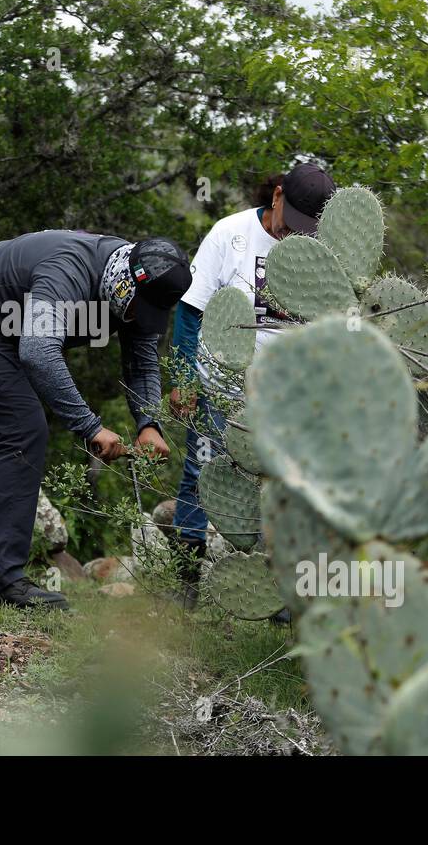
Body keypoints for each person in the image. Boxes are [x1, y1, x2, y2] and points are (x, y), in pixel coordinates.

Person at [0, 231, 192, 609]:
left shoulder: (142, 289)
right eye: (136, 307)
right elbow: (38, 351)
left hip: (3, 326)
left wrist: (148, 424)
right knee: (23, 428)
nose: (137, 317)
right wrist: (90, 426)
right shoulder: (67, 271)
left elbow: (142, 361)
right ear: (124, 281)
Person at [168, 162, 336, 607]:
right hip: (219, 385)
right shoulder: (230, 234)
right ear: (277, 195)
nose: (294, 233)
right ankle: (184, 585)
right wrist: (185, 379)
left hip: (284, 396)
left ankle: (279, 597)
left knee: (286, 490)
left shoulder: (321, 254)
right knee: (199, 477)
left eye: (308, 227)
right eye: (292, 220)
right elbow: (189, 312)